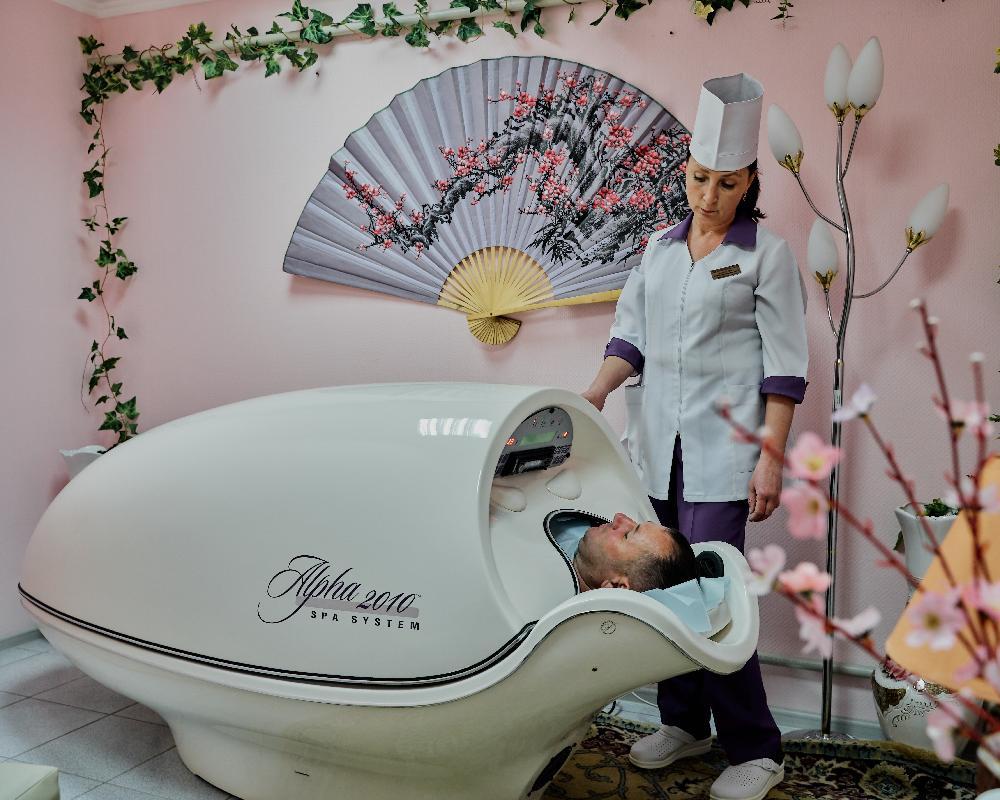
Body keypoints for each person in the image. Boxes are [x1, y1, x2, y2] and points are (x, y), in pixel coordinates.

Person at [582, 73, 808, 800]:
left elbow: (785, 369)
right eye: (700, 178)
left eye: (727, 183)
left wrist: (771, 460)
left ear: (749, 183)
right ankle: (683, 722)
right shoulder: (658, 249)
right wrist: (596, 391)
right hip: (655, 450)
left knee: (712, 595)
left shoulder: (766, 255)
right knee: (660, 587)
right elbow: (630, 340)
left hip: (724, 454)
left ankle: (756, 747)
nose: (709, 196)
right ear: (685, 171)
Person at [553, 511, 701, 592]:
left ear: (617, 587)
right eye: (635, 524)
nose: (619, 517)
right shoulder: (576, 523)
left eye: (626, 535)